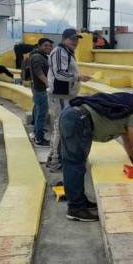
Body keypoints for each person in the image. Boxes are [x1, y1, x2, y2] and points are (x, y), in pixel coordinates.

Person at [60, 90, 133, 222]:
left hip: (73, 113)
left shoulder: (124, 103)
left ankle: (79, 201)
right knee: (75, 164)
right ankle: (75, 208)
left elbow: (127, 137)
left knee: (75, 163)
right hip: (79, 119)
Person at [47, 28, 91, 172]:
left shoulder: (67, 52)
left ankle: (56, 157)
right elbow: (59, 73)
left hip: (66, 95)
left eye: (77, 39)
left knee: (61, 126)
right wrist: (78, 77)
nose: (75, 42)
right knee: (60, 126)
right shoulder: (60, 52)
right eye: (72, 39)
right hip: (60, 95)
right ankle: (55, 160)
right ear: (64, 39)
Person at [28, 38, 54, 146]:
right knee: (41, 114)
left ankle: (36, 132)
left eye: (50, 46)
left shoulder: (41, 56)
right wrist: (48, 84)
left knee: (38, 111)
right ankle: (39, 139)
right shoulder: (37, 57)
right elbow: (39, 73)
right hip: (41, 90)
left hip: (39, 89)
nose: (48, 47)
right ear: (39, 45)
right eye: (45, 45)